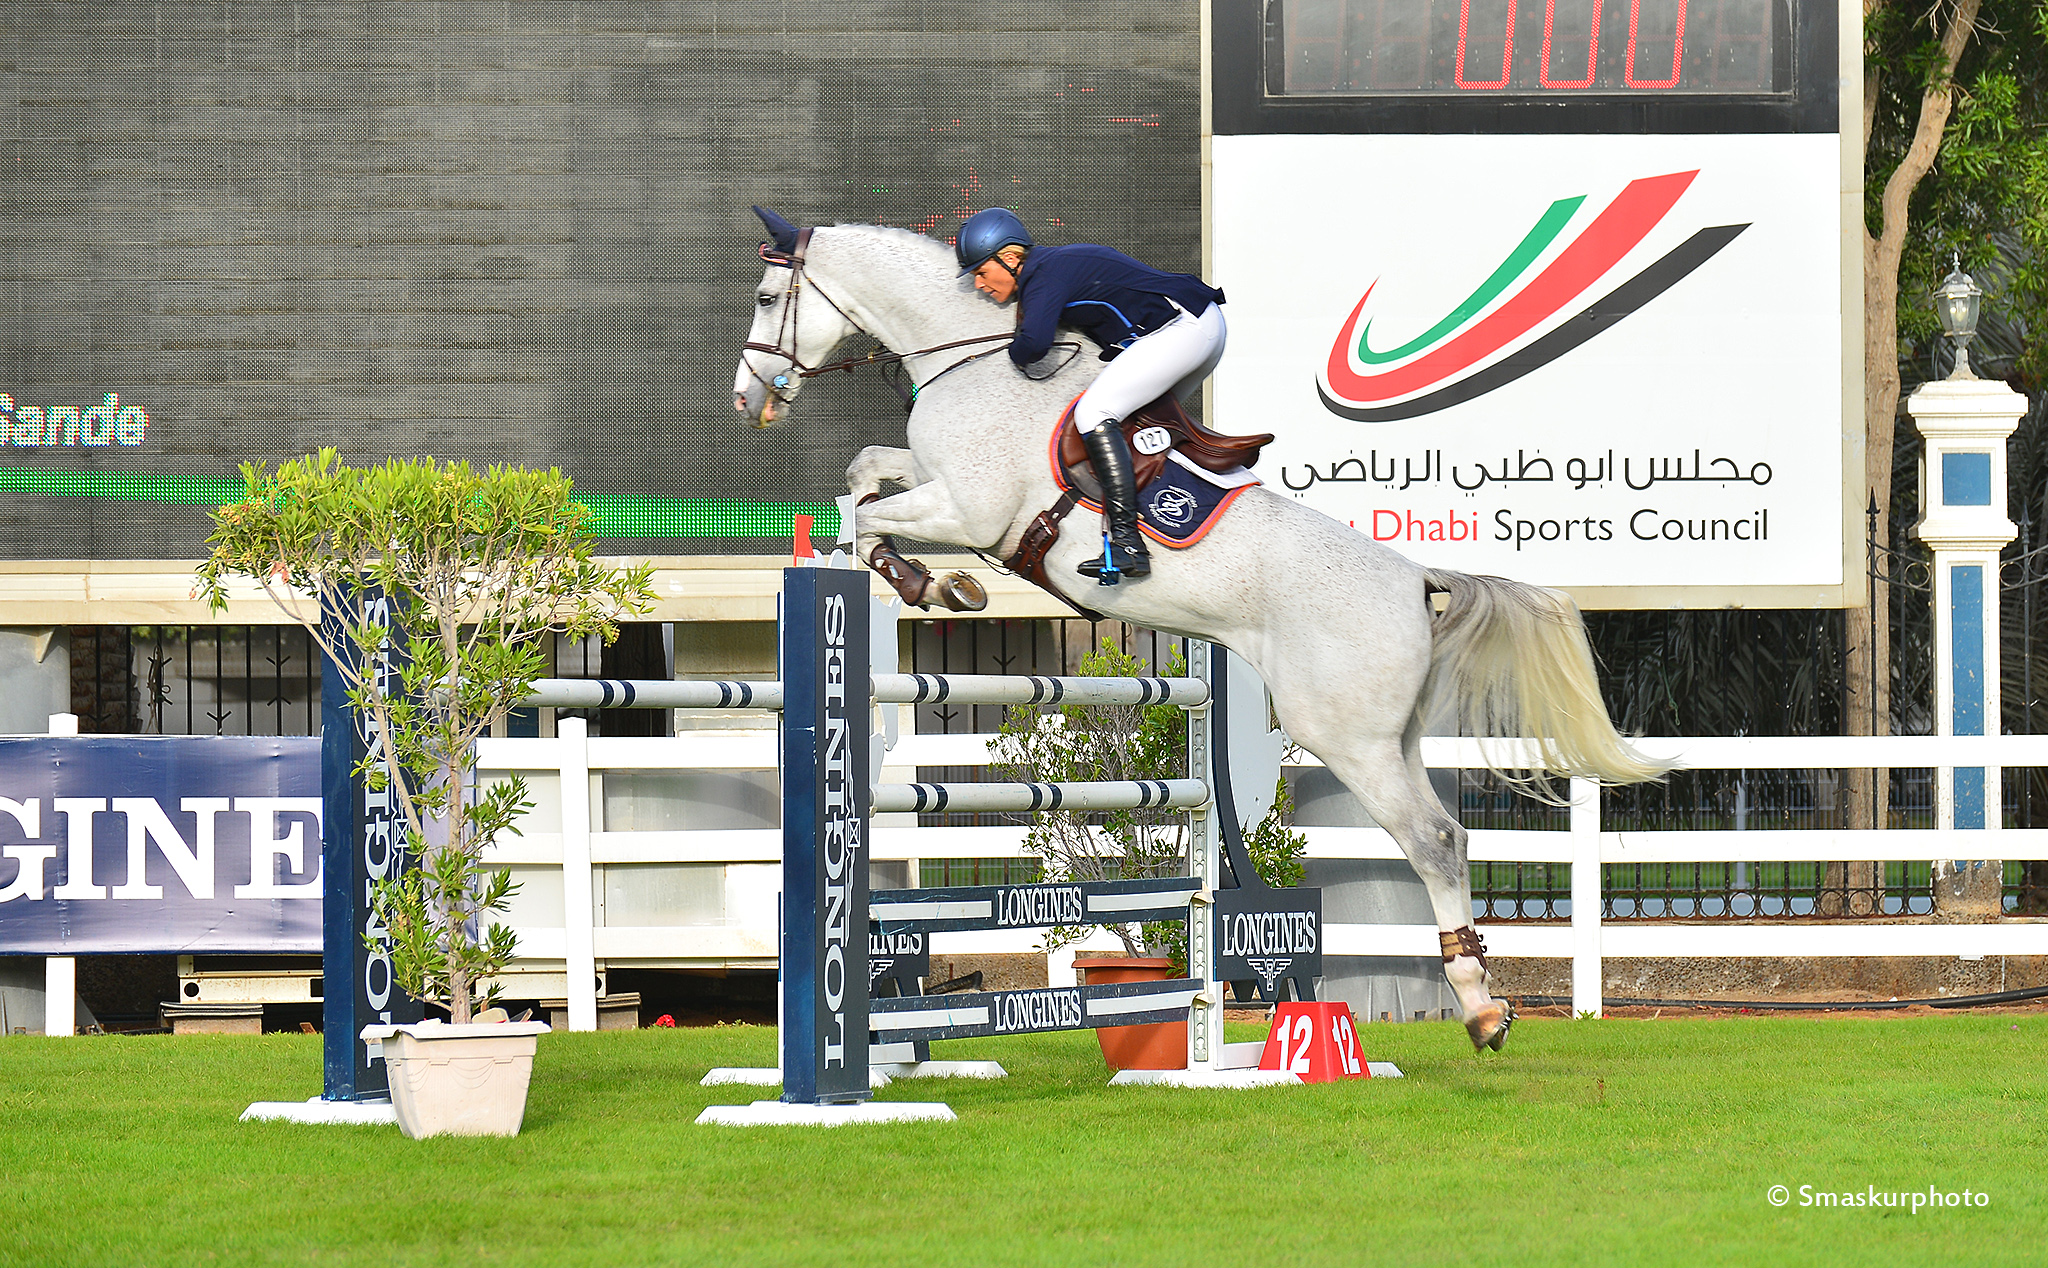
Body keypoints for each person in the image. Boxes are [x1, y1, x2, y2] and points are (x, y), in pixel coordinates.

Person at [955, 207, 1226, 582]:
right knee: (1137, 428)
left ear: (1012, 258)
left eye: (982, 272)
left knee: (1094, 413)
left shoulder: (1042, 275)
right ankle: (1168, 518)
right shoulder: (1049, 268)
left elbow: (1032, 345)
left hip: (1185, 326)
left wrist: (1004, 359)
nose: (980, 285)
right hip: (1196, 323)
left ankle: (1128, 543)